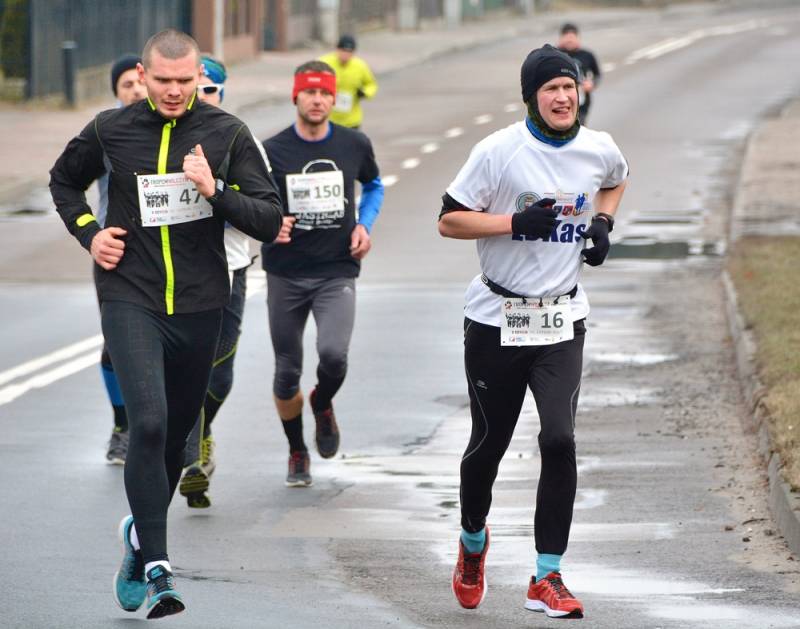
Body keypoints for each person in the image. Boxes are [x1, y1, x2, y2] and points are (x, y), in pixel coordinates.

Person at [50, 29, 283, 619]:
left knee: (178, 437)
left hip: (202, 302)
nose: (175, 91)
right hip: (130, 295)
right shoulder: (111, 128)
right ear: (143, 77)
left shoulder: (228, 133)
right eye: (163, 81)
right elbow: (63, 180)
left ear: (198, 77)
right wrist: (89, 232)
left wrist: (215, 189)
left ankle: (138, 535)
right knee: (148, 424)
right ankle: (158, 568)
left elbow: (268, 217)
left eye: (185, 81)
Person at [440, 44, 628, 619]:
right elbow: (449, 220)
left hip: (561, 319)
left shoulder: (599, 147)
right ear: (531, 97)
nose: (563, 97)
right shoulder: (498, 151)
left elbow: (617, 180)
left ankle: (547, 575)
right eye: (551, 89)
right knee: (488, 447)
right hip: (497, 318)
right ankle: (473, 540)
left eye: (569, 87)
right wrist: (512, 222)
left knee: (559, 440)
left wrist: (603, 222)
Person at [262, 60, 384, 487]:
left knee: (333, 354)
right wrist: (269, 223)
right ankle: (297, 450)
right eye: (310, 93)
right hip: (286, 272)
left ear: (334, 99)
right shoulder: (272, 150)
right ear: (295, 96)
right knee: (286, 372)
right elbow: (252, 200)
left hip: (336, 269)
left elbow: (374, 185)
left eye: (325, 94)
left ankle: (322, 401)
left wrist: (364, 224)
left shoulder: (353, 143)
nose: (317, 100)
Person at [101, 54, 147, 465]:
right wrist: (90, 232)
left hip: (164, 251)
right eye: (125, 85)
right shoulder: (103, 132)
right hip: (114, 251)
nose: (134, 90)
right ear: (116, 91)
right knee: (114, 345)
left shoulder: (172, 127)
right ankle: (122, 426)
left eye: (139, 82)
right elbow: (66, 181)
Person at [319, 35, 378, 129]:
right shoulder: (324, 63)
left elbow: (371, 84)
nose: (346, 54)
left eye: (349, 52)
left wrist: (365, 93)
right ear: (337, 49)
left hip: (351, 119)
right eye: (343, 50)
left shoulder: (360, 66)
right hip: (328, 118)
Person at [557, 23, 601, 125]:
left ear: (578, 38)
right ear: (561, 39)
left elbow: (597, 75)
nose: (570, 41)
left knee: (579, 127)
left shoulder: (587, 55)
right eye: (567, 38)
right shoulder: (554, 55)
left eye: (572, 38)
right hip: (560, 98)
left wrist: (592, 84)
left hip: (582, 100)